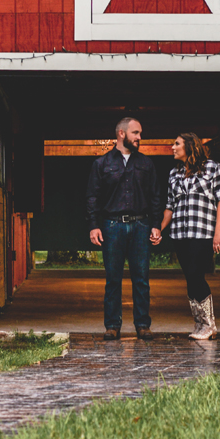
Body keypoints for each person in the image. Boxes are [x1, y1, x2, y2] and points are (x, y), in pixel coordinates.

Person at [86, 117, 162, 340]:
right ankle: (112, 325)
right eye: (135, 133)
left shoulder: (146, 164)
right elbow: (92, 197)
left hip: (141, 224)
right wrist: (93, 226)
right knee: (113, 278)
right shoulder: (101, 164)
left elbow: (156, 197)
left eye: (140, 133)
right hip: (112, 226)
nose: (139, 137)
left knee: (141, 278)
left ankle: (142, 325)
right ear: (121, 133)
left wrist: (156, 225)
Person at [160, 132, 220, 341]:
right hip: (180, 233)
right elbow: (170, 206)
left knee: (197, 276)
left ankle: (209, 324)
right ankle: (199, 324)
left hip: (203, 233)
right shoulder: (174, 174)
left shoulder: (213, 169)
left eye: (176, 143)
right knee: (190, 277)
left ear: (189, 147)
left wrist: (218, 233)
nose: (172, 147)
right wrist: (159, 228)